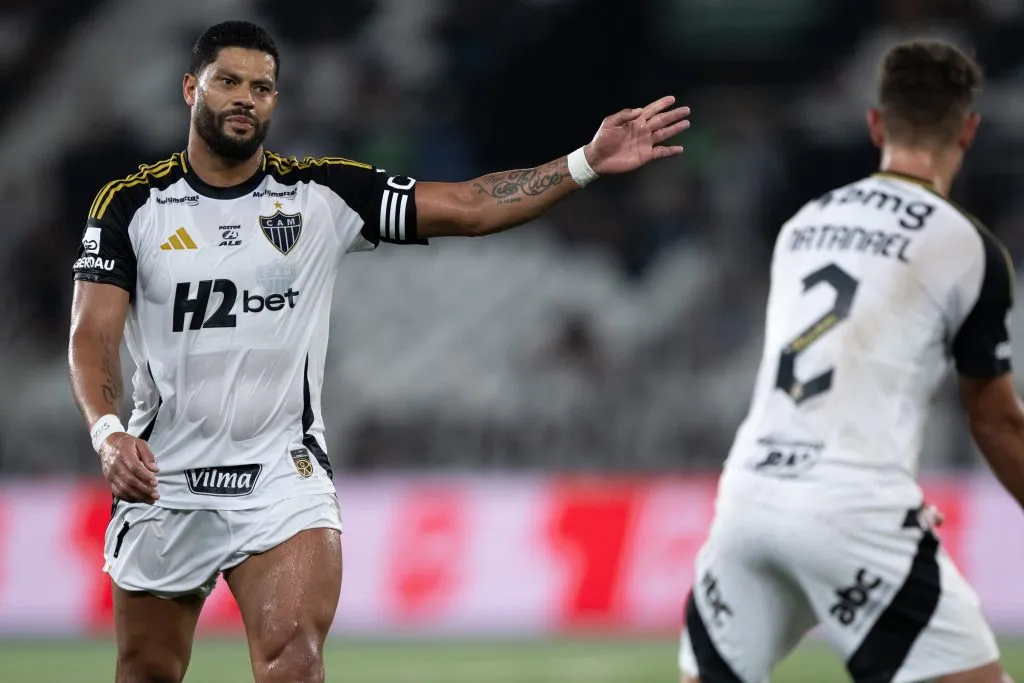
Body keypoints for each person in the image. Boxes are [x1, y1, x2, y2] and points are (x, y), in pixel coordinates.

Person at [66, 20, 689, 683]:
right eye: (229, 82)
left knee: (294, 663)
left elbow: (473, 207)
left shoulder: (321, 194)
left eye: (263, 86)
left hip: (281, 479)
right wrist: (107, 434)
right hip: (166, 478)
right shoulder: (131, 205)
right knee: (146, 670)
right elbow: (92, 334)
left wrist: (585, 161)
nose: (246, 97)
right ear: (192, 88)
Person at [679, 40, 1017, 683]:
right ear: (968, 130)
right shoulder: (966, 242)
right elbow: (997, 422)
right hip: (852, 505)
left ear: (874, 123)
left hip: (750, 495)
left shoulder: (801, 226)